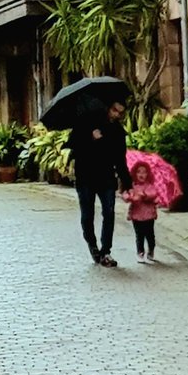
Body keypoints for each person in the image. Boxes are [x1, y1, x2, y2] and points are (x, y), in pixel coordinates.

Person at [67, 99, 130, 267]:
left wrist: (127, 182)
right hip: (85, 177)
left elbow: (120, 158)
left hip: (106, 177)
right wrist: (90, 138)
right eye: (115, 110)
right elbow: (72, 145)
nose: (117, 115)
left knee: (109, 213)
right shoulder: (85, 123)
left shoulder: (117, 131)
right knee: (87, 215)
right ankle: (92, 245)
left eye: (120, 112)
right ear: (108, 108)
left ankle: (106, 251)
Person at [122, 160, 158, 263]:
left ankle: (151, 250)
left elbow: (153, 194)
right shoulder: (132, 186)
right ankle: (140, 252)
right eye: (139, 172)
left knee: (150, 235)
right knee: (139, 235)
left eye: (144, 172)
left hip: (149, 215)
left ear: (148, 174)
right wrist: (130, 197)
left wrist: (145, 195)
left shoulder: (150, 185)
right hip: (136, 215)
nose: (141, 174)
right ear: (134, 173)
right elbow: (125, 195)